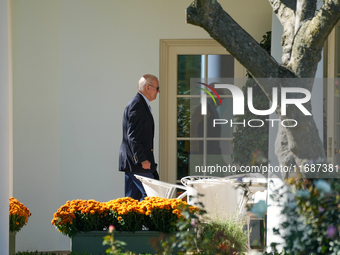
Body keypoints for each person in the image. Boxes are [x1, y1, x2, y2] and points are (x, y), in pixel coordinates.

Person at [119, 74, 160, 201]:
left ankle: (130, 221)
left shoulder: (141, 104)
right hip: (138, 163)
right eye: (157, 88)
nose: (159, 91)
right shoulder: (137, 105)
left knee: (131, 201)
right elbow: (133, 136)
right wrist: (142, 159)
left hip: (135, 162)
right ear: (148, 87)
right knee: (153, 195)